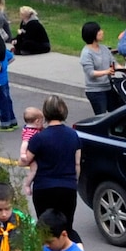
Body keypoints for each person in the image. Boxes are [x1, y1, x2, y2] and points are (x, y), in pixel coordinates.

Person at [21, 97, 81, 240]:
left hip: (44, 188)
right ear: (63, 111)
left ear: (45, 113)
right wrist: (74, 181)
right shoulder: (73, 135)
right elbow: (77, 164)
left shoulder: (39, 138)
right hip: (67, 188)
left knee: (45, 229)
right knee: (67, 228)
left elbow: (24, 161)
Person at [80, 22, 118, 116]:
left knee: (118, 112)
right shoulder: (86, 53)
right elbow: (91, 73)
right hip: (95, 91)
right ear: (93, 34)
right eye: (99, 31)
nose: (102, 32)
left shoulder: (104, 48)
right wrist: (107, 71)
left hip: (108, 87)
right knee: (101, 116)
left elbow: (114, 63)